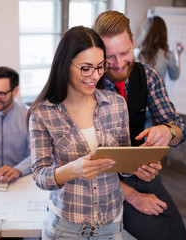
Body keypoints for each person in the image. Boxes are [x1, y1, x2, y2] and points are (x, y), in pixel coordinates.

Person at [93, 11, 186, 240]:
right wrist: (132, 196)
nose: (118, 64)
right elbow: (82, 164)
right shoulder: (89, 83)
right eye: (109, 57)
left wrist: (168, 132)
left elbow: (179, 128)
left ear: (133, 41)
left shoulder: (149, 76)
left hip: (143, 175)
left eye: (125, 53)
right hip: (102, 182)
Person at [28, 26, 130, 240]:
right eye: (86, 68)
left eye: (100, 67)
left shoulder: (116, 104)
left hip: (111, 225)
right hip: (65, 229)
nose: (95, 76)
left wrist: (141, 166)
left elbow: (124, 164)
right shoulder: (42, 113)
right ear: (65, 65)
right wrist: (72, 170)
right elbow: (39, 175)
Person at [135, 15, 184, 81]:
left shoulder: (135, 53)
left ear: (145, 33)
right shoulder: (167, 55)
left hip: (136, 91)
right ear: (163, 33)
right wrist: (178, 55)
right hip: (158, 91)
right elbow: (174, 76)